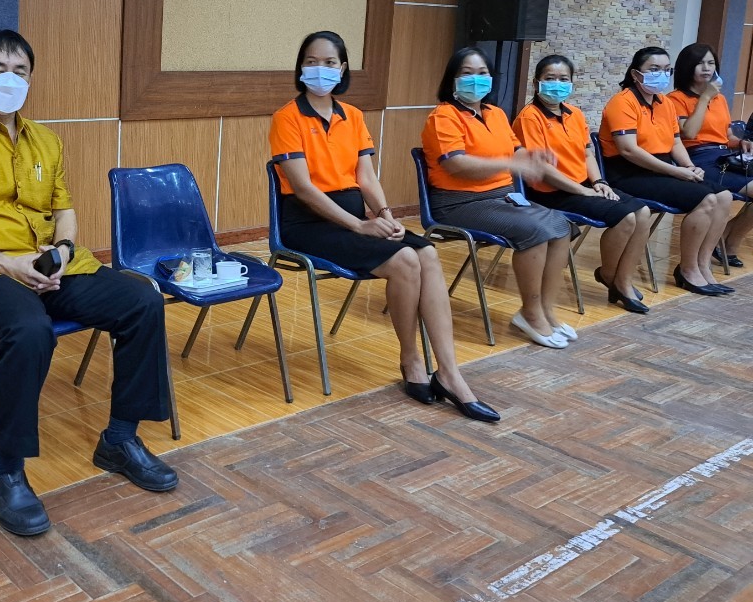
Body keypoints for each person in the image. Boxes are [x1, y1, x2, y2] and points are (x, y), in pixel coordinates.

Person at [0, 29, 175, 538]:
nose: (10, 79)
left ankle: (120, 439)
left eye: (21, 71)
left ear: (31, 80)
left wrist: (64, 251)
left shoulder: (46, 141)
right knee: (30, 329)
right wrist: (8, 265)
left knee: (141, 299)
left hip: (50, 268)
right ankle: (6, 472)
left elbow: (64, 211)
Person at [270, 32, 499, 422]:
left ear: (342, 68)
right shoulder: (286, 117)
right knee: (405, 260)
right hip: (306, 225)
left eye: (329, 62)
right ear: (300, 67)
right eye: (312, 61)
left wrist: (385, 214)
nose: (320, 69)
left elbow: (366, 177)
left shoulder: (353, 116)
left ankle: (450, 373)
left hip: (356, 219)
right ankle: (411, 360)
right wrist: (359, 226)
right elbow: (304, 189)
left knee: (427, 253)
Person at [421, 48, 576, 349]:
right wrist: (510, 164)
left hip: (502, 196)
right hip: (458, 203)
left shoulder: (496, 114)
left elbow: (515, 149)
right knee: (534, 231)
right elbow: (456, 164)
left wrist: (532, 155)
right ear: (452, 79)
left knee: (561, 225)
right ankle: (530, 313)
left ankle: (545, 310)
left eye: (482, 73)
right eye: (467, 73)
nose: (476, 79)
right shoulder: (443, 116)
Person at [512, 55, 653, 313]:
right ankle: (610, 276)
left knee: (643, 213)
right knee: (626, 218)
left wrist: (598, 182)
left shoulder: (574, 114)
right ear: (536, 83)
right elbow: (541, 168)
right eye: (550, 78)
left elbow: (588, 153)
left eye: (563, 79)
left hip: (582, 186)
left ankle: (623, 279)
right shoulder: (529, 117)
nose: (557, 84)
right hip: (551, 192)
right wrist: (582, 191)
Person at [599, 46, 733, 296]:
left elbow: (676, 142)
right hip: (628, 173)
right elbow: (629, 150)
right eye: (654, 69)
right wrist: (675, 172)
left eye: (665, 70)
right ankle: (688, 269)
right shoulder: (622, 102)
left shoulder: (664, 103)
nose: (661, 74)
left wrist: (688, 166)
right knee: (706, 199)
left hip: (659, 169)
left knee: (724, 196)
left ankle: (703, 264)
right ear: (636, 74)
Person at [667, 42, 753, 268]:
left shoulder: (720, 99)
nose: (706, 68)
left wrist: (740, 142)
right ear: (687, 67)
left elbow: (726, 136)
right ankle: (727, 243)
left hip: (725, 156)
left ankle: (727, 237)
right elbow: (689, 133)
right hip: (697, 158)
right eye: (700, 63)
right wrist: (704, 98)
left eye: (710, 63)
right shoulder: (675, 99)